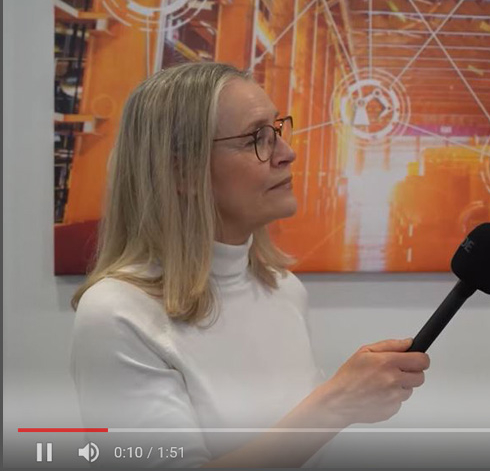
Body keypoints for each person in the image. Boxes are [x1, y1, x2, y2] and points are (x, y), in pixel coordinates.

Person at [70, 62, 430, 468]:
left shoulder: (282, 288)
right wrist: (335, 406)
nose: (287, 153)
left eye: (276, 131)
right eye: (256, 138)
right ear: (181, 170)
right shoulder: (117, 314)